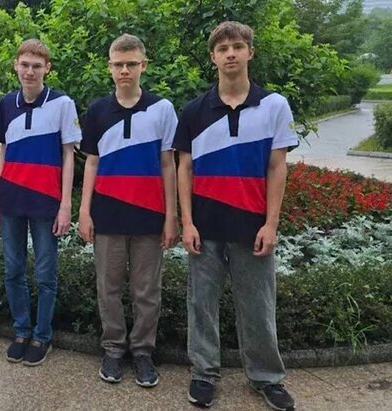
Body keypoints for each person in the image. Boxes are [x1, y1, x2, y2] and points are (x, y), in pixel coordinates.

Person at [173, 21, 298, 410]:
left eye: (238, 46)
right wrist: (187, 222)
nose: (231, 53)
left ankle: (266, 377)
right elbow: (184, 168)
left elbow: (277, 167)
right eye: (223, 48)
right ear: (213, 56)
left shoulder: (274, 106)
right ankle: (203, 372)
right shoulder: (194, 111)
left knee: (258, 307)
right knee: (201, 305)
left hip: (252, 226)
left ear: (250, 53)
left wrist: (271, 224)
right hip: (205, 226)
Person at [78, 33, 178, 387]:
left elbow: (168, 164)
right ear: (109, 67)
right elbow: (91, 163)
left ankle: (143, 352)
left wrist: (172, 216)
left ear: (143, 66)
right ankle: (113, 349)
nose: (124, 70)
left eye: (131, 64)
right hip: (107, 213)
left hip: (150, 214)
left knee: (146, 291)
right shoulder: (97, 111)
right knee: (108, 288)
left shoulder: (162, 109)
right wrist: (84, 211)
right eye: (118, 64)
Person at [0, 39, 82, 366]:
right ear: (16, 65)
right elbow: (4, 152)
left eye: (37, 66)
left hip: (46, 202)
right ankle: (21, 331)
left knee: (45, 274)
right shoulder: (6, 103)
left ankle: (42, 336)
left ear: (47, 68)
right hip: (11, 199)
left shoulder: (62, 103)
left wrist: (65, 205)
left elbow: (69, 155)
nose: (30, 71)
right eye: (25, 65)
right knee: (13, 270)